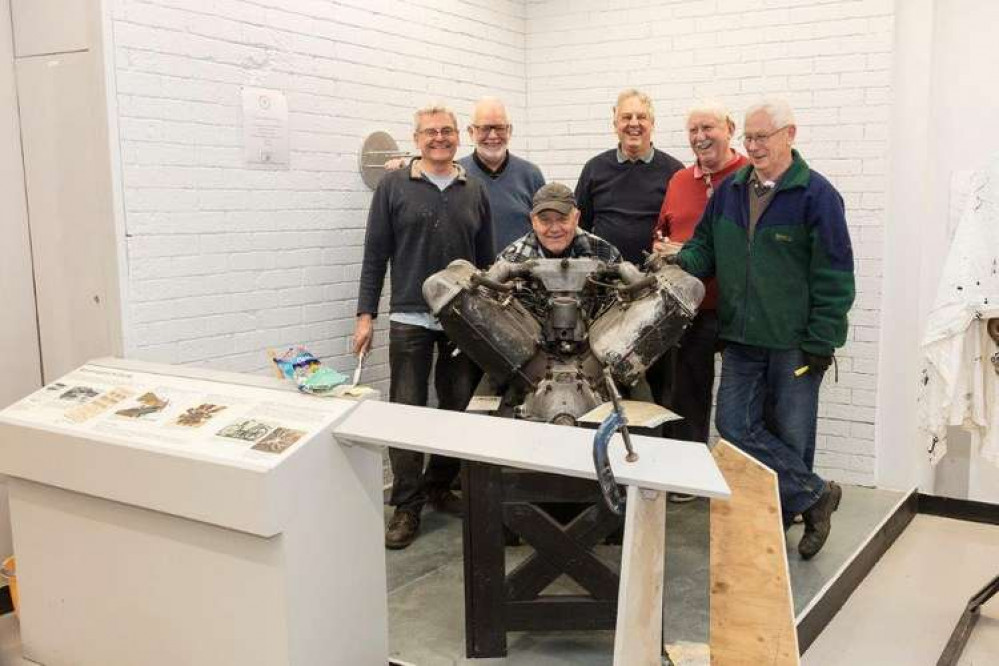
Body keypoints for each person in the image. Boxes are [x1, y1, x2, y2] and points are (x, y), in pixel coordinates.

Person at [671, 99, 855, 559]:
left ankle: (788, 518)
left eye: (761, 137)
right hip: (740, 339)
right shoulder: (731, 192)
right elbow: (703, 249)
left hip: (796, 343)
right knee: (732, 425)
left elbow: (835, 274)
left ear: (789, 135)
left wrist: (823, 339)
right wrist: (676, 265)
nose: (752, 146)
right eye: (748, 138)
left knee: (793, 436)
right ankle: (816, 497)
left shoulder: (817, 196)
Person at [354, 103, 494, 550]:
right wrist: (365, 315)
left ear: (459, 137)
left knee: (458, 409)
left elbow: (486, 261)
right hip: (409, 316)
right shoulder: (394, 186)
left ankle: (439, 484)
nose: (440, 138)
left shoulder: (473, 188)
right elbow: (375, 254)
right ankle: (407, 506)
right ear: (416, 139)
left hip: (460, 318)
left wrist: (487, 316)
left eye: (448, 131)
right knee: (407, 412)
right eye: (431, 132)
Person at [650, 102, 749, 501]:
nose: (700, 136)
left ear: (730, 128)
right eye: (693, 130)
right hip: (691, 310)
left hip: (740, 308)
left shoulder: (747, 177)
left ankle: (747, 480)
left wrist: (686, 249)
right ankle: (689, 475)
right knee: (688, 391)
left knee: (743, 401)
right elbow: (661, 233)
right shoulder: (678, 180)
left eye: (708, 127)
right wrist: (661, 248)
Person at [574, 89, 684, 266]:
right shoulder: (594, 168)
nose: (634, 123)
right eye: (626, 117)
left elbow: (680, 231)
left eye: (641, 117)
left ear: (652, 123)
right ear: (615, 123)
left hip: (657, 276)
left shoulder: (675, 172)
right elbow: (579, 227)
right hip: (604, 277)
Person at [459, 97, 546, 252]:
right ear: (471, 132)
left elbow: (546, 230)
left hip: (522, 273)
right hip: (470, 275)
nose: (493, 136)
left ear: (509, 131)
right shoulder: (456, 174)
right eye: (485, 128)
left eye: (499, 128)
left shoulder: (531, 175)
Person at [498, 182, 620, 263]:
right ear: (533, 221)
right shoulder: (510, 259)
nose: (555, 229)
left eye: (562, 219)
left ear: (576, 218)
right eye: (545, 220)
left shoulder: (606, 254)